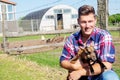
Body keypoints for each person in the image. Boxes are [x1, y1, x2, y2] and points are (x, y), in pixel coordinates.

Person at [60, 5, 119, 80]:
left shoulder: (103, 36)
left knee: (110, 77)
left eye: (90, 21)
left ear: (95, 20)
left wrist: (80, 72)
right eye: (83, 22)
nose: (87, 25)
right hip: (80, 78)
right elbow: (63, 61)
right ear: (78, 21)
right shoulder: (72, 39)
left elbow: (106, 65)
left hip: (99, 76)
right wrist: (73, 66)